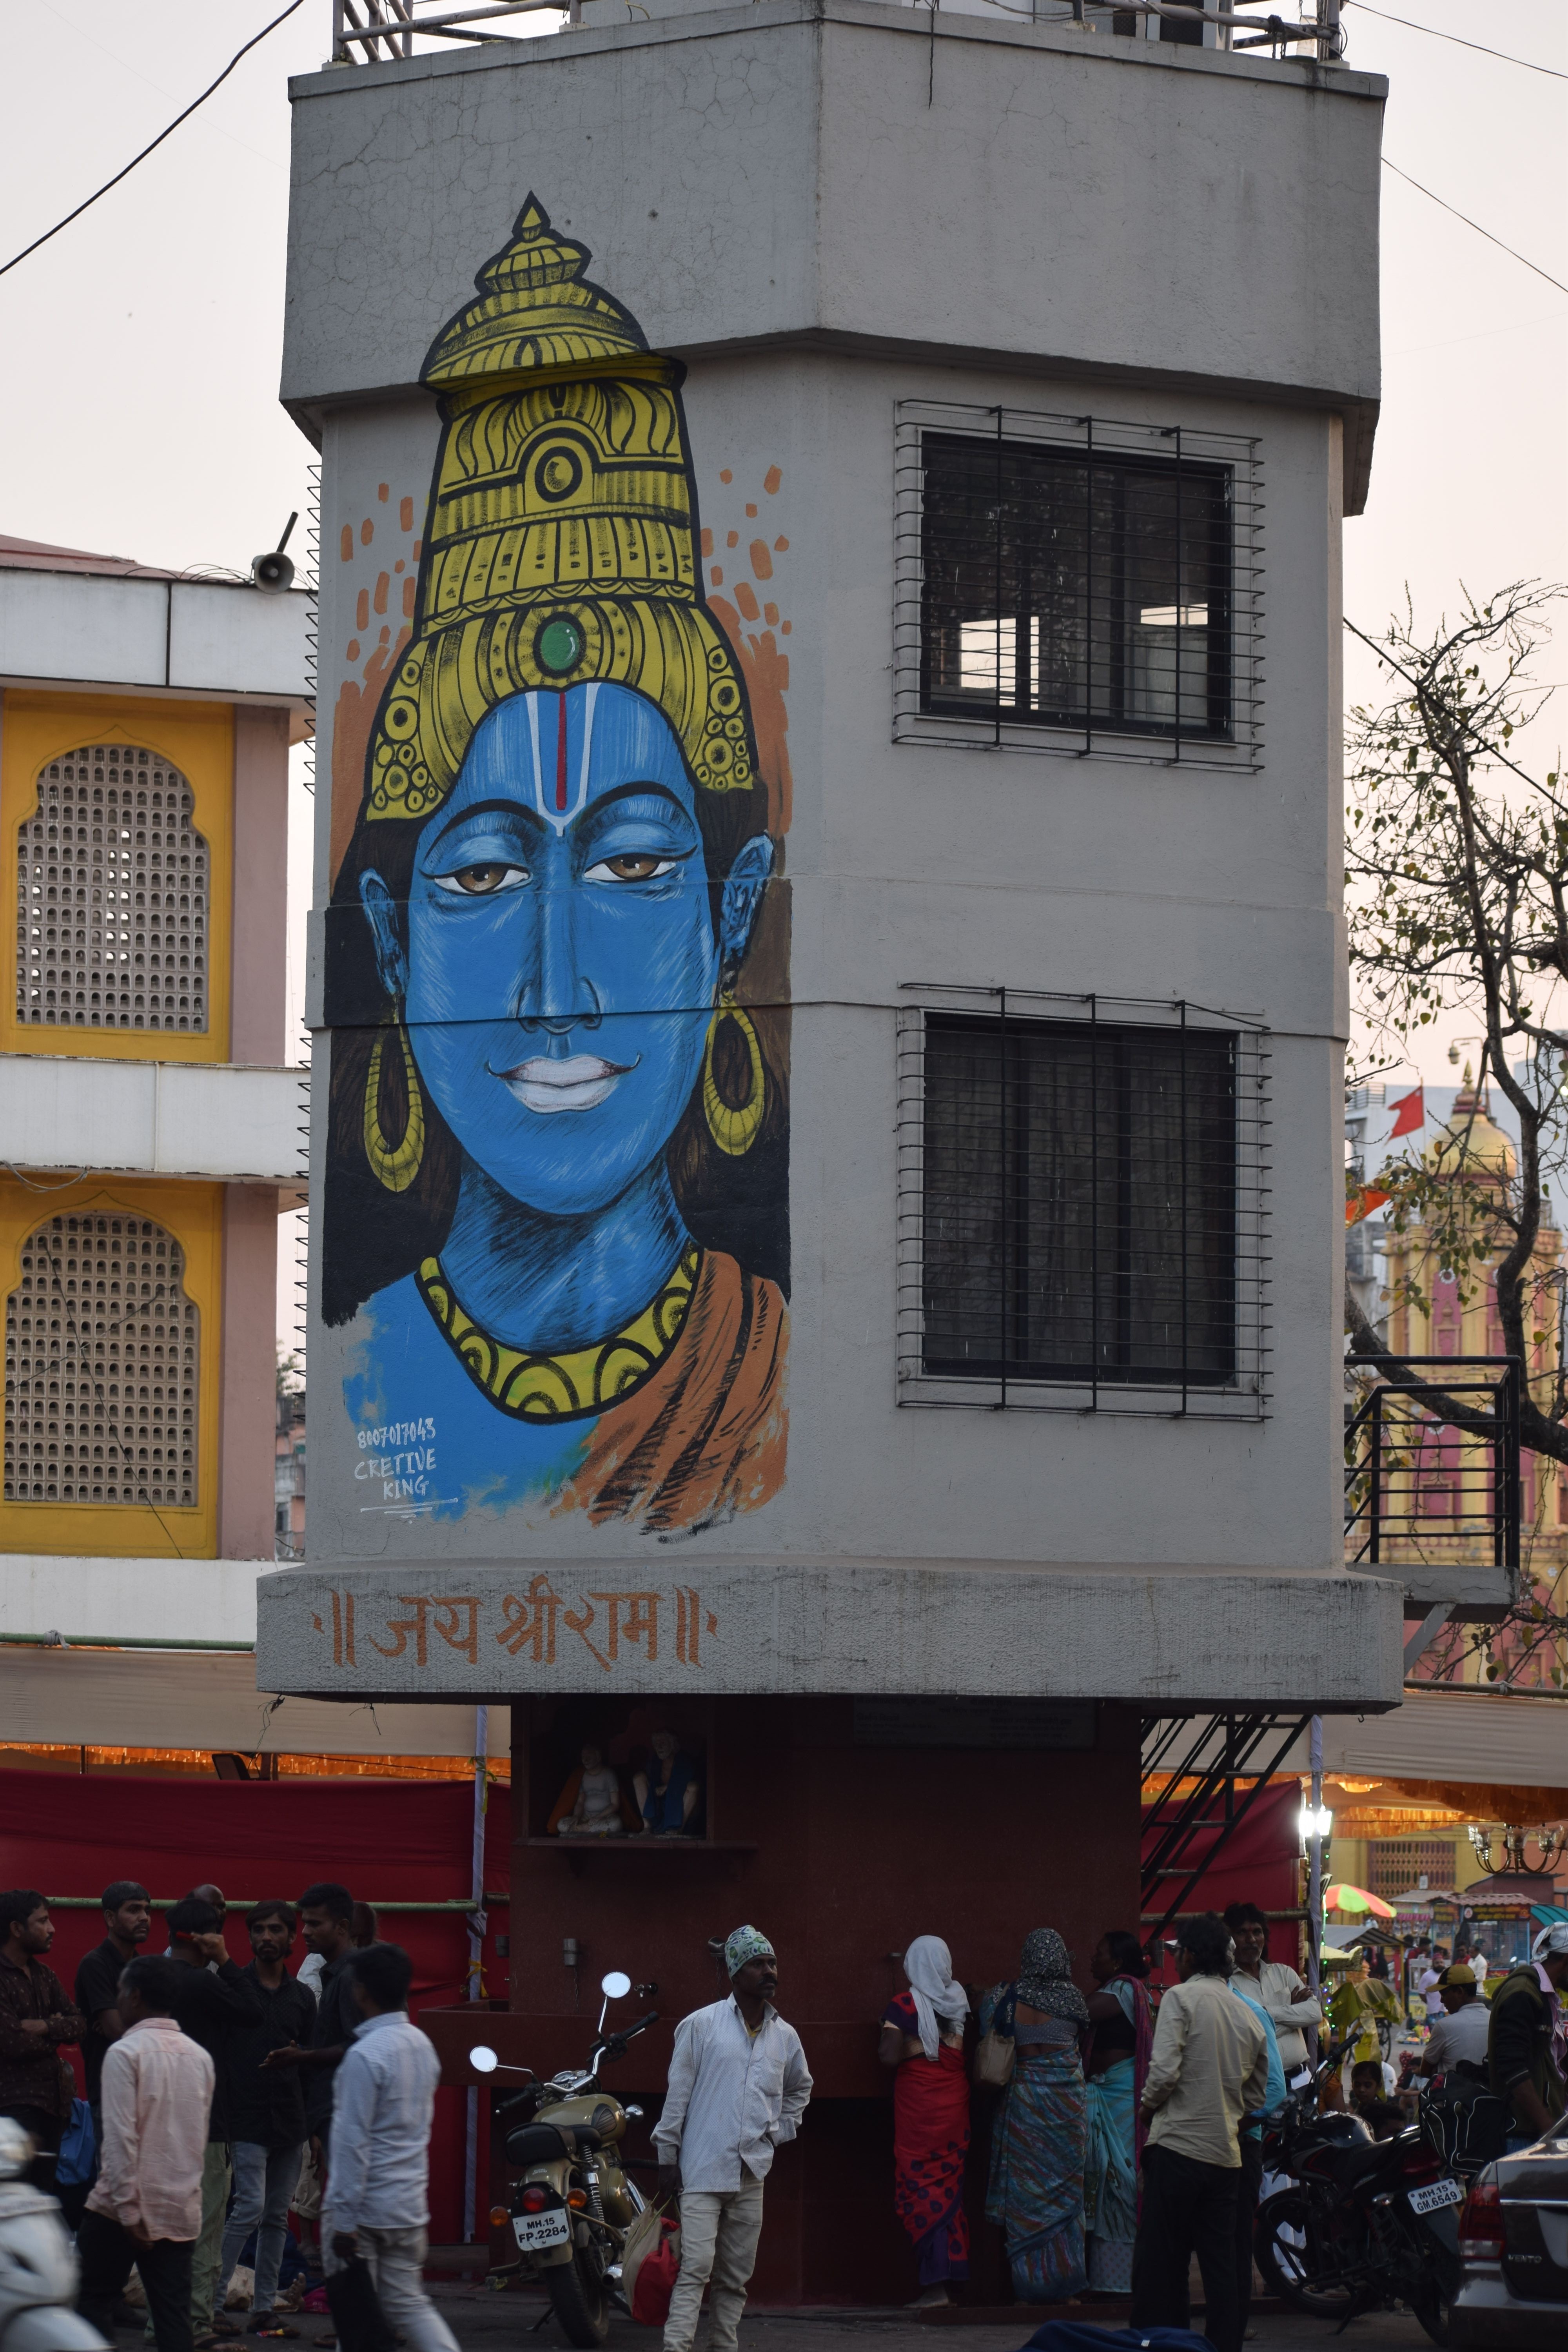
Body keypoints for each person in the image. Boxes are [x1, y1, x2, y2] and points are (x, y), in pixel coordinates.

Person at [655, 1926, 811, 2352]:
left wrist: (779, 2131)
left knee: (736, 2275)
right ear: (735, 1973)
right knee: (696, 2267)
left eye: (772, 1963)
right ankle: (676, 2348)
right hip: (703, 2167)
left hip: (752, 2171)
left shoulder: (786, 2036)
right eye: (758, 1964)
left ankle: (723, 2347)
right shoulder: (701, 2025)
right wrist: (667, 2156)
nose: (769, 1971)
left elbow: (801, 2089)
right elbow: (678, 2095)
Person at [1131, 1912, 1269, 2352]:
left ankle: (1165, 2343)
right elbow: (1256, 2097)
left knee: (1162, 2264)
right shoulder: (1246, 2014)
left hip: (1176, 2150)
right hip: (1225, 2158)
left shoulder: (1180, 1998)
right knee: (1220, 2267)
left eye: (1178, 1953)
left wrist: (1147, 2110)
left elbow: (1164, 2072)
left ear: (1189, 1956)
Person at [320, 1943, 458, 2352]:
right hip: (407, 2206)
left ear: (360, 1991)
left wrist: (343, 2221)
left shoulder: (364, 2057)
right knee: (409, 2305)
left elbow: (350, 2144)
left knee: (355, 2316)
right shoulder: (421, 2047)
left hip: (363, 2211)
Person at [77, 1955, 215, 2352]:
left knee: (90, 2300)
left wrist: (129, 2211)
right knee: (174, 2319)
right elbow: (193, 2140)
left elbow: (120, 2140)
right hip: (178, 2208)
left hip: (121, 2208)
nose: (118, 1999)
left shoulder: (125, 2053)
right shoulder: (200, 2057)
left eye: (121, 1991)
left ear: (135, 1997)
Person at [165, 1895, 266, 2349]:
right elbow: (253, 2011)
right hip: (205, 2122)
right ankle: (196, 2324)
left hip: (164, 2118)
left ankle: (163, 2325)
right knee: (204, 2229)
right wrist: (225, 1961)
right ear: (205, 1937)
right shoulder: (202, 1984)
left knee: (168, 2232)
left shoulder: (152, 1976)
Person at [217, 1904, 318, 2333]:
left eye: (275, 1930)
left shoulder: (302, 1998)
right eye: (258, 1930)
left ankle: (263, 2307)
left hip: (291, 2120)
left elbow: (312, 2062)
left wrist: (314, 2127)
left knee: (278, 2215)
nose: (266, 1937)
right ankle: (212, 2301)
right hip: (246, 2116)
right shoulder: (236, 1988)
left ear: (292, 1938)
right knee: (248, 2210)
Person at [981, 1928, 1089, 2303]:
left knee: (1025, 2194)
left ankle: (1027, 2290)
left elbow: (986, 2032)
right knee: (1066, 2197)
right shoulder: (1074, 2000)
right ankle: (1067, 2290)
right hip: (1068, 2109)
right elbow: (1083, 2051)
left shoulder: (1004, 1997)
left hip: (1024, 2104)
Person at [878, 1935, 970, 2307]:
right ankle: (950, 2279)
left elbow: (888, 2057)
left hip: (919, 2111)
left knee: (920, 2187)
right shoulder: (961, 2003)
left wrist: (886, 2026)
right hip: (955, 2109)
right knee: (948, 2189)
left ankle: (936, 2289)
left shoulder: (903, 2005)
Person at [261, 1884, 359, 2167]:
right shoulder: (331, 1974)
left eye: (315, 1924)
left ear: (342, 1927)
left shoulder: (351, 1976)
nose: (305, 1932)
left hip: (347, 2116)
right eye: (305, 1923)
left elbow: (359, 2047)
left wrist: (303, 2057)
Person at [1081, 1931, 1153, 2294]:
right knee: (1103, 2179)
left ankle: (1122, 2282)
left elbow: (1078, 2011)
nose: (1093, 1959)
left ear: (1118, 1962)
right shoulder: (1122, 1988)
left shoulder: (1123, 1989)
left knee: (1120, 2180)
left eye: (1100, 1953)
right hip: (1106, 2091)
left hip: (1121, 2094)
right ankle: (1104, 2278)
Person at [0, 1888, 86, 2193]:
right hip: (12, 2108)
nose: (52, 1929)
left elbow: (79, 2024)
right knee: (13, 2199)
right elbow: (12, 2043)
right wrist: (56, 2031)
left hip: (54, 2106)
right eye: (43, 1921)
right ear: (16, 1929)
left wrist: (43, 2027)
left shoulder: (45, 1975)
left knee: (42, 2196)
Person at [1223, 1947, 1286, 2345]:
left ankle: (1234, 2321)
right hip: (1204, 2143)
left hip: (1239, 2145)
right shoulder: (1188, 2007)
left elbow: (1275, 2091)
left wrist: (1232, 2125)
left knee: (1233, 2238)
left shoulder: (1250, 2012)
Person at [76, 1881, 154, 2132]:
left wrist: (129, 2025)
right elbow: (115, 2031)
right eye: (133, 1910)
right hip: (112, 2093)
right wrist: (140, 2026)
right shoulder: (95, 1964)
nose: (144, 1918)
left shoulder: (143, 1967)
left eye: (147, 1910)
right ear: (110, 1918)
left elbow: (158, 2025)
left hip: (149, 2091)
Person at [1221, 1902, 1321, 2091]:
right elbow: (1245, 2038)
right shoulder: (1227, 1984)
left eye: (1257, 1932)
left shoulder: (1284, 1973)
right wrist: (1293, 2016)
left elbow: (1315, 2013)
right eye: (1242, 1933)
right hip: (1260, 2088)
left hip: (1302, 2080)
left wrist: (1265, 2014)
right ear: (1230, 1940)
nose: (1251, 1939)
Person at [1488, 1920, 1568, 2151]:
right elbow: (1513, 2067)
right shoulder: (1523, 1994)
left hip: (1541, 2130)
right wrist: (1545, 2124)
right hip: (1525, 2133)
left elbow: (1548, 2062)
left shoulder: (1544, 1995)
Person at [1418, 1963, 1491, 2080]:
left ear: (1460, 1992)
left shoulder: (1444, 2026)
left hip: (1453, 2097)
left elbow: (1425, 2072)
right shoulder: (1494, 2019)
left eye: (1444, 1994)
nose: (1442, 2000)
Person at [1347, 2059, 1405, 2140]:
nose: (1362, 2090)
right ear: (1352, 2085)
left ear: (1379, 2087)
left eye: (1368, 2086)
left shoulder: (1381, 2114)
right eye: (1357, 2085)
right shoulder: (1359, 2106)